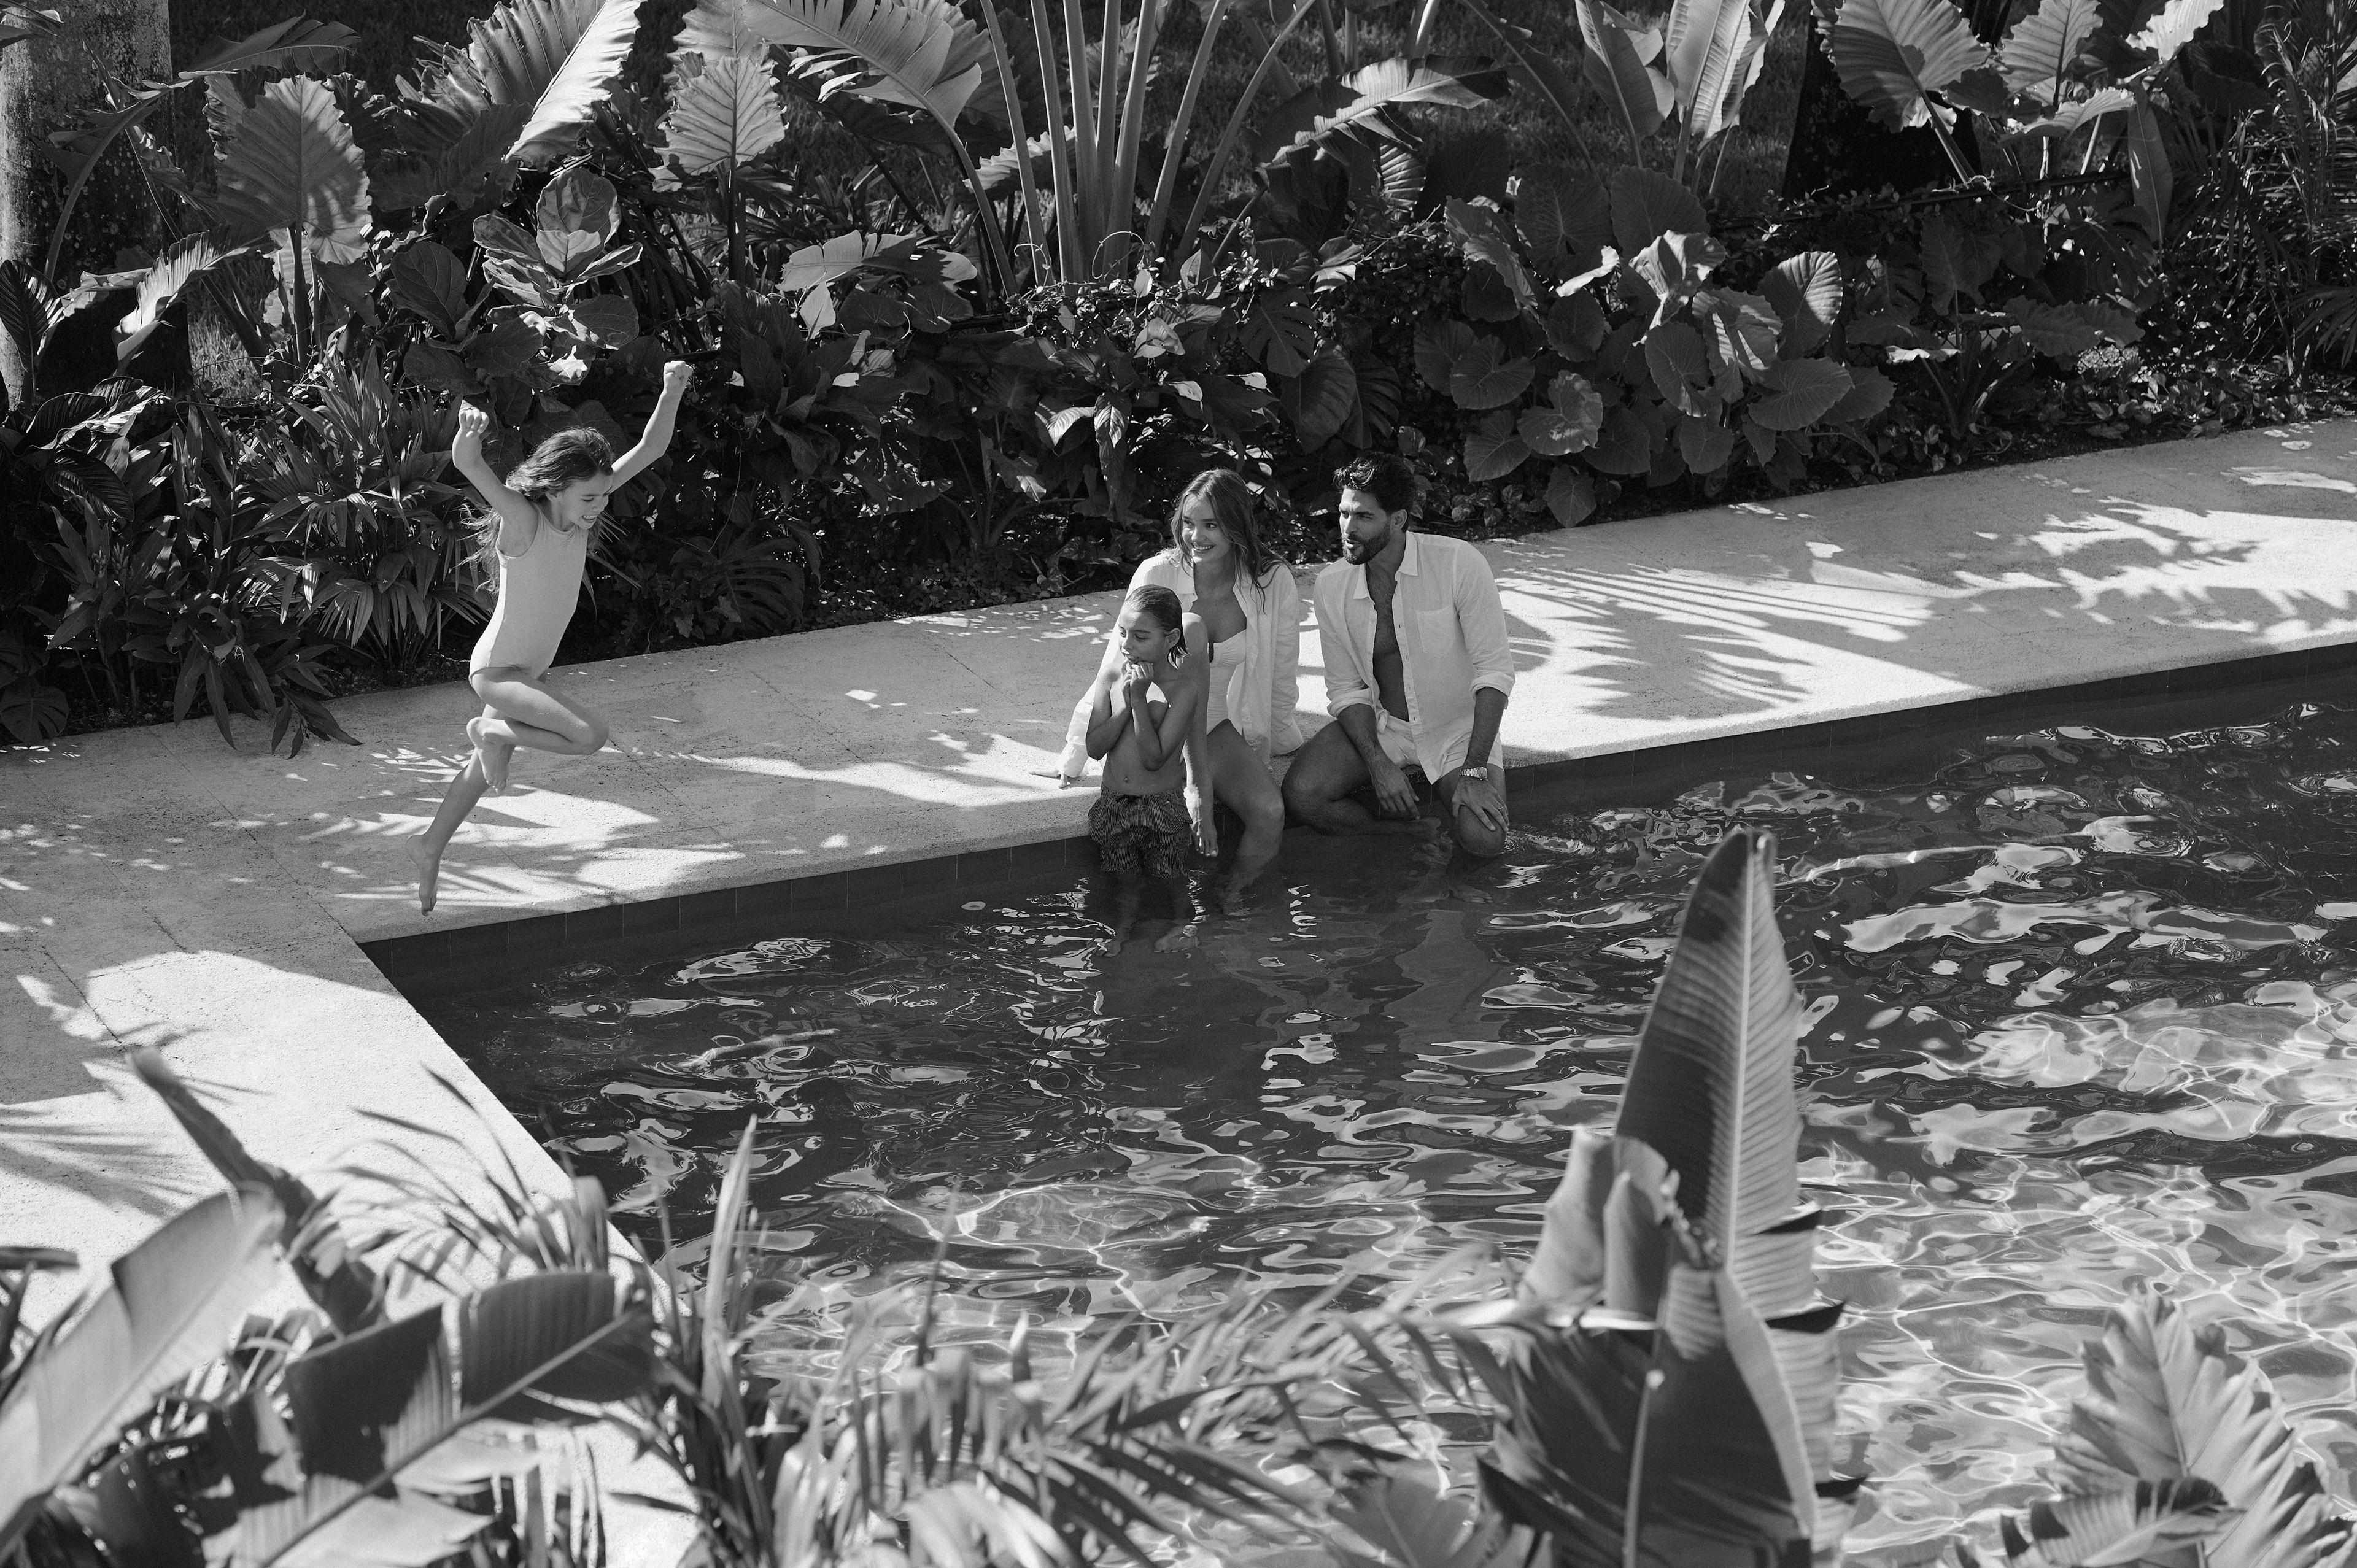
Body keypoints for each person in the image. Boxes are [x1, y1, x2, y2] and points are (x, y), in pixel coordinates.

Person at [412, 363, 692, 915]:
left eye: (604, 496)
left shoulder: (579, 512)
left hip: (527, 675)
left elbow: (653, 447)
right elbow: (472, 467)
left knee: (483, 766)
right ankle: (489, 729)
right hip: (497, 672)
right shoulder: (524, 521)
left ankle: (429, 847)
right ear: (557, 488)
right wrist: (468, 433)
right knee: (590, 735)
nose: (600, 506)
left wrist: (672, 390)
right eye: (589, 498)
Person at [1053, 471, 1304, 913]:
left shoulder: (1271, 581)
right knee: (1191, 629)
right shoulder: (1158, 572)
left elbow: (1281, 671)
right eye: (1189, 523)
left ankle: (1231, 898)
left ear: (1237, 524)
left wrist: (1278, 738)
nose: (1196, 536)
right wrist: (1078, 750)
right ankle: (1149, 913)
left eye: (1211, 524)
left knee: (1270, 811)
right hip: (1154, 719)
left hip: (1212, 723)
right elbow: (1116, 661)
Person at [1283, 453, 1514, 857]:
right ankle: (1408, 839)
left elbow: (1494, 674)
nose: (1348, 529)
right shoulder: (1332, 586)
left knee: (1484, 839)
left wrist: (1475, 769)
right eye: (1343, 514)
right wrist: (1377, 762)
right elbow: (1346, 689)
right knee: (1303, 794)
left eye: (1363, 517)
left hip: (1455, 728)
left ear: (1398, 520)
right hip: (1384, 724)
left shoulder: (1459, 565)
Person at [1082, 585, 1209, 954]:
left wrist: (1139, 700)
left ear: (1170, 638)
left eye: (1140, 636)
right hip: (1115, 804)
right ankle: (1121, 930)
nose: (1127, 644)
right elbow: (1094, 747)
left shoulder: (1182, 690)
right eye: (1122, 632)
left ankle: (1183, 924)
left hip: (1161, 805)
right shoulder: (1110, 675)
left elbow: (1155, 758)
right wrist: (1125, 703)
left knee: (1170, 876)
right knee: (1123, 879)